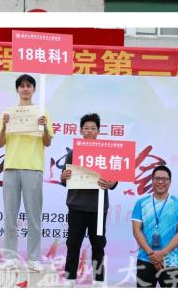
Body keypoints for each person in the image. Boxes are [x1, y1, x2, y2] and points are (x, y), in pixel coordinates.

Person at [0, 74, 52, 269]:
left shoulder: (42, 112)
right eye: (22, 86)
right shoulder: (7, 113)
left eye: (28, 86)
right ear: (17, 90)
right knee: (10, 216)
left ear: (34, 89)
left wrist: (44, 127)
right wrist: (5, 125)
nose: (25, 89)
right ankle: (10, 258)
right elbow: (0, 142)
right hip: (11, 167)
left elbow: (47, 142)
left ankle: (33, 258)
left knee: (33, 217)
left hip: (33, 167)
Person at [60, 113, 117, 286]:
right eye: (86, 128)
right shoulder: (72, 154)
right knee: (73, 244)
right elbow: (65, 180)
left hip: (98, 208)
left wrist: (112, 183)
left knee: (98, 245)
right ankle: (69, 278)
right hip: (76, 206)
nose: (90, 131)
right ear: (81, 131)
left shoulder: (107, 153)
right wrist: (64, 177)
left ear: (98, 131)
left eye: (93, 128)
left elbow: (114, 180)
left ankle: (98, 280)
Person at [132, 165, 178, 288]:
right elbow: (136, 231)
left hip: (171, 261)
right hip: (145, 259)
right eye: (157, 178)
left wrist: (163, 253)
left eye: (164, 179)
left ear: (170, 181)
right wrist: (152, 255)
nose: (160, 182)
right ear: (152, 180)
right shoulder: (141, 203)